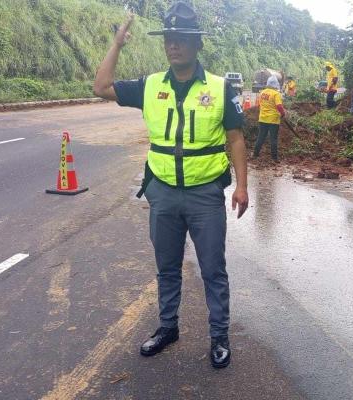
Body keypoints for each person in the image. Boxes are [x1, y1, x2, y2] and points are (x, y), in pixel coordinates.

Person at [92, 2, 249, 369]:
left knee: (213, 268)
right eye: (169, 39)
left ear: (197, 45)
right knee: (166, 266)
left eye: (181, 39)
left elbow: (236, 138)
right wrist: (118, 44)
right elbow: (100, 86)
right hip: (162, 191)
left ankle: (219, 336)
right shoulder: (149, 86)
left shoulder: (221, 88)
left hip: (205, 194)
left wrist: (242, 186)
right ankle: (167, 327)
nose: (173, 45)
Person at [253, 76, 285, 162]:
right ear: (276, 84)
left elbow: (260, 104)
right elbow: (279, 106)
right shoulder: (276, 94)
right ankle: (274, 158)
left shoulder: (262, 92)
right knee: (273, 139)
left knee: (260, 137)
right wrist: (283, 113)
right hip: (273, 120)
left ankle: (255, 154)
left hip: (263, 119)